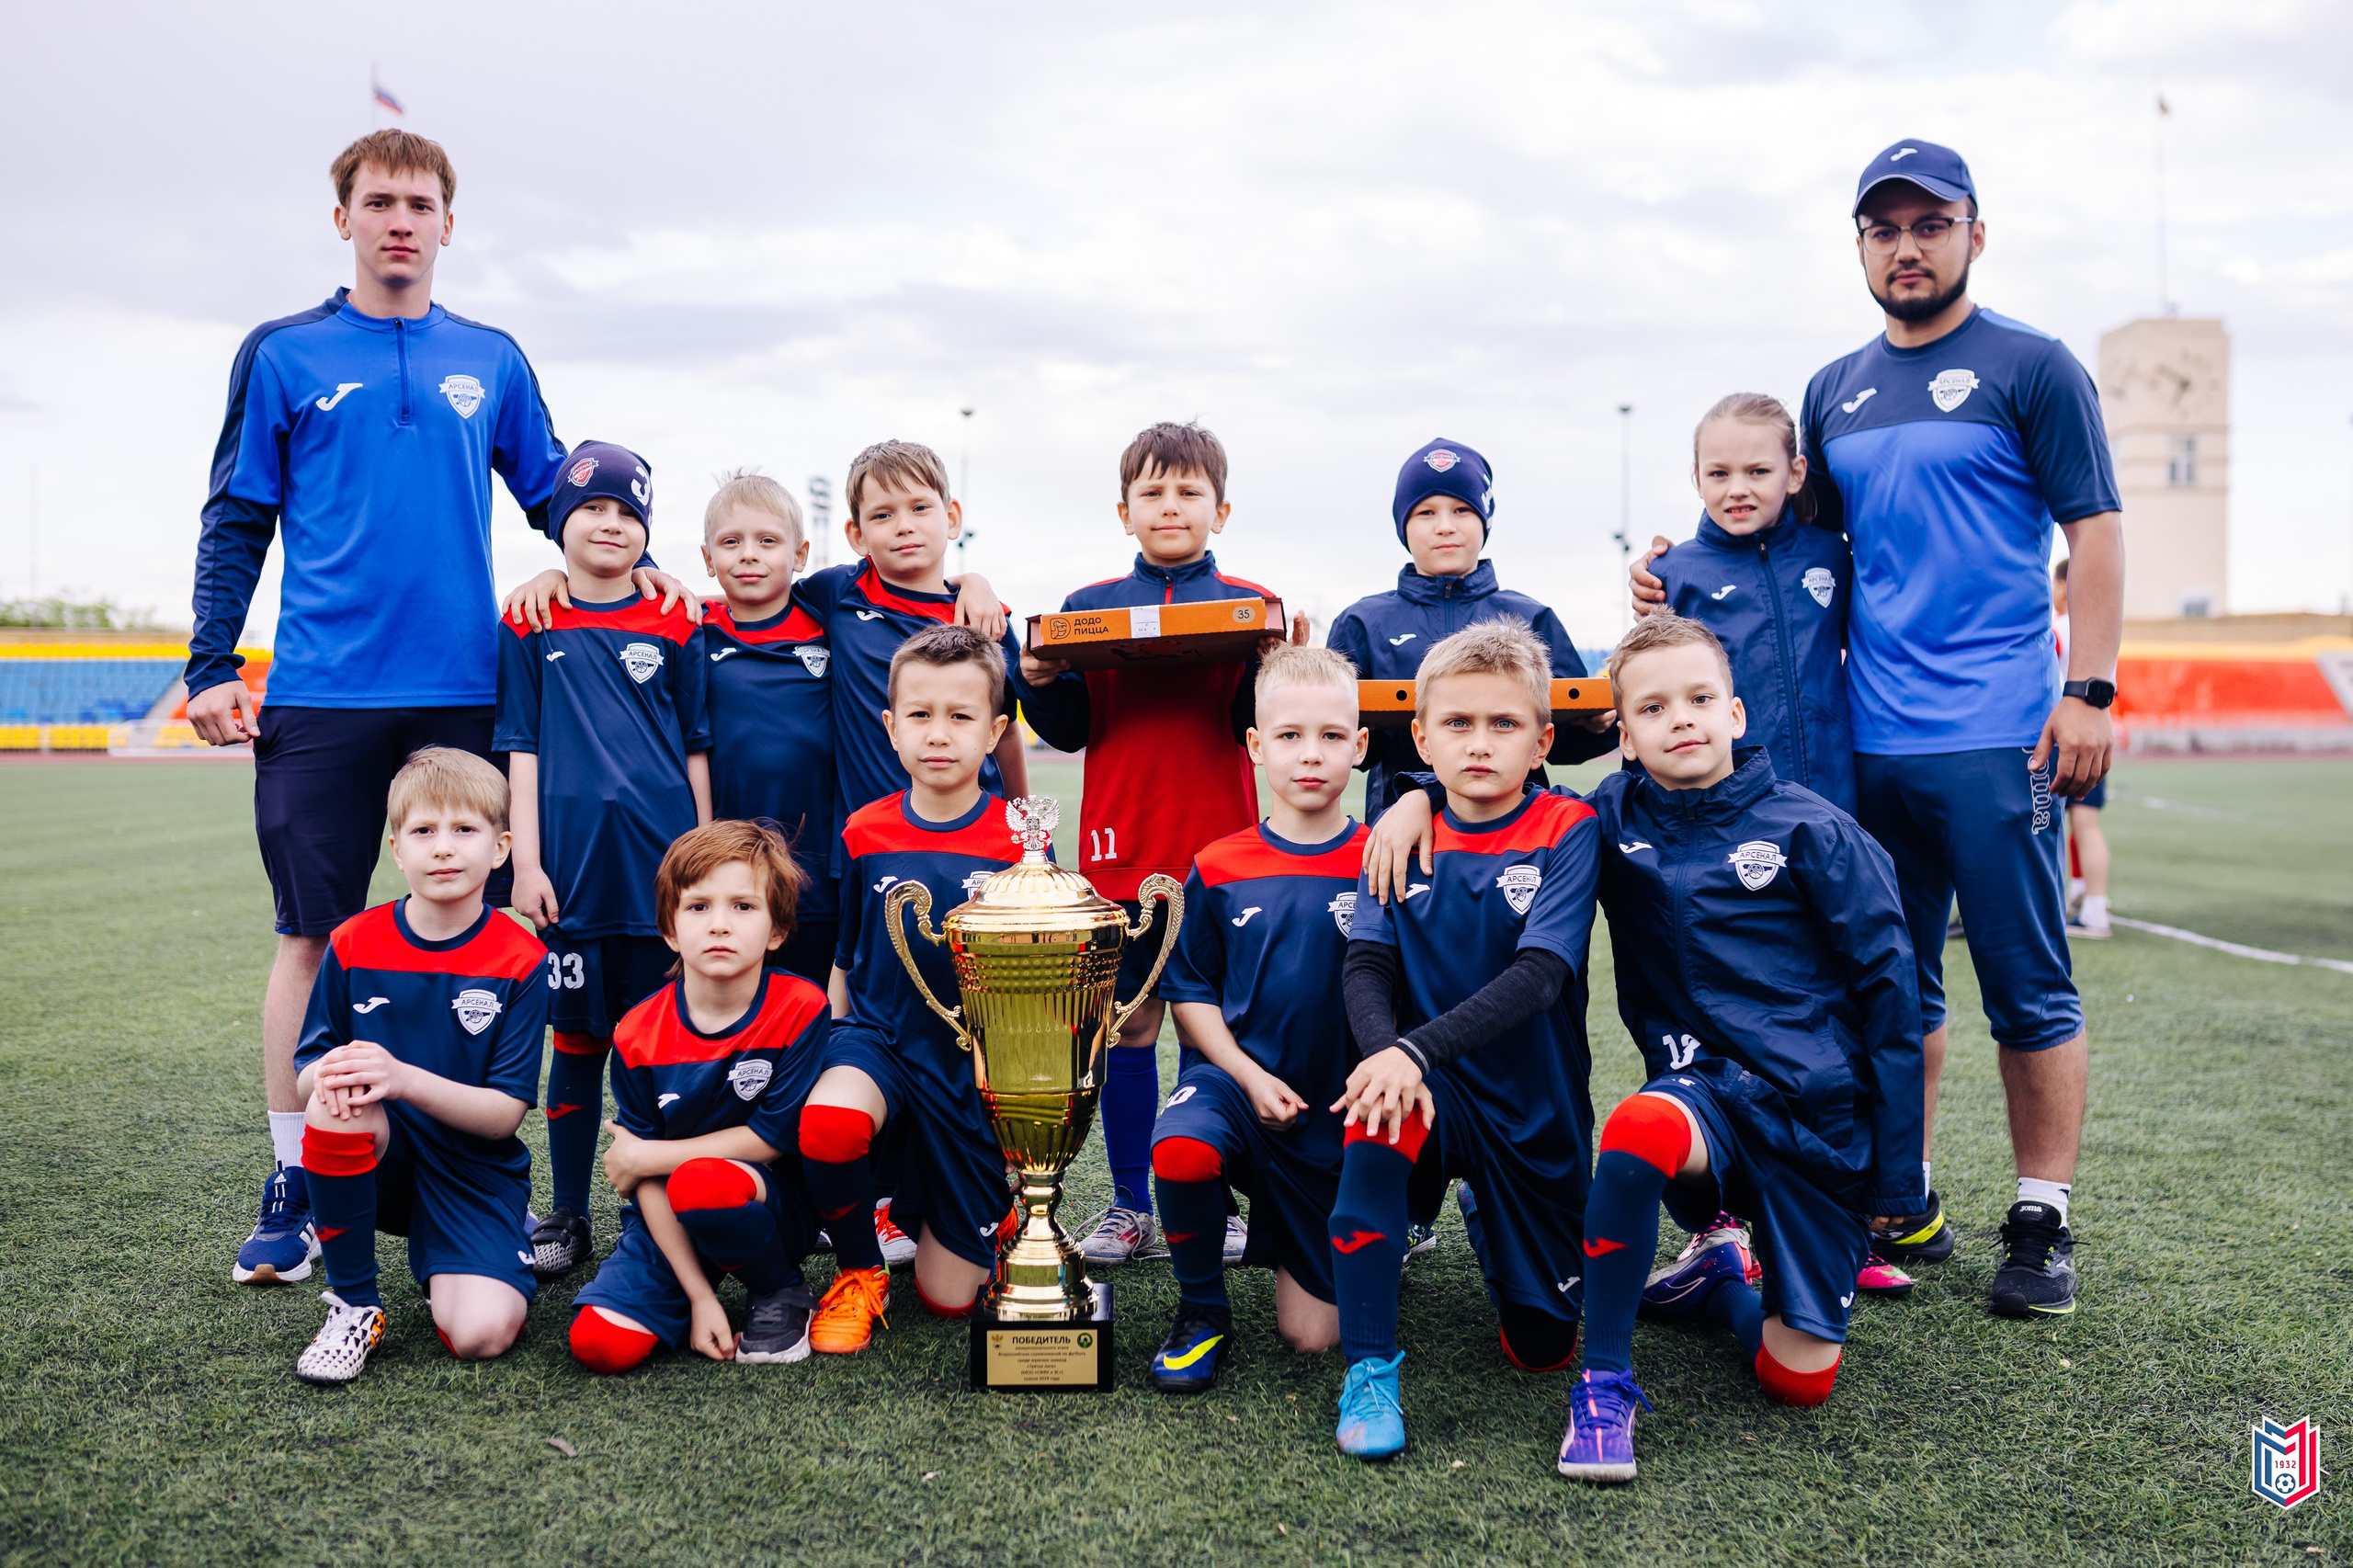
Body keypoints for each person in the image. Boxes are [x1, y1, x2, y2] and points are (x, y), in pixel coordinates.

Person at [1631, 139, 2122, 1316]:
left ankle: (2040, 1217)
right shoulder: (1833, 390)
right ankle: (1892, 1197)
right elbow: (1777, 542)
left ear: (1973, 234)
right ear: (1860, 245)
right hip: (1862, 750)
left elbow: (2094, 533)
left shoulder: (2033, 366)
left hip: (2000, 730)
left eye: (1929, 224)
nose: (1907, 247)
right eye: (1883, 229)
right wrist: (1667, 576)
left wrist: (2089, 689)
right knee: (1887, 986)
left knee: (2027, 984)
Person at [195, 130, 692, 1287]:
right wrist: (214, 657)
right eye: (379, 202)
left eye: (421, 203)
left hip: (466, 686)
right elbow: (235, 516)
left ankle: (477, 1178)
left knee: (488, 930)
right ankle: (294, 1175)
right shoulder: (283, 352)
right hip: (321, 690)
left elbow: (561, 489)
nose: (400, 221)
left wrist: (640, 553)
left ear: (449, 223)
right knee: (312, 934)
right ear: (344, 220)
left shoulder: (491, 357)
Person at [1369, 615, 1923, 1482]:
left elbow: (1894, 1006)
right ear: (1623, 738)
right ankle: (1604, 1383)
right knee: (1637, 1130)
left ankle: (1720, 1282)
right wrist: (1409, 795)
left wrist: (1897, 1178)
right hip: (1700, 1092)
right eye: (1655, 708)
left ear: (1738, 714)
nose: (1683, 720)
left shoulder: (1820, 833)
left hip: (1813, 1116)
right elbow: (1492, 785)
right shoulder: (1606, 819)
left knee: (1796, 1380)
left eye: (1701, 699)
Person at [1015, 421, 1302, 1267]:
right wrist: (1037, 683)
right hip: (1120, 848)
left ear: (1220, 508)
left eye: (1188, 492)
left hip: (1228, 852)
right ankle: (1134, 1204)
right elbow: (1069, 731)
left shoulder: (1253, 603)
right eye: (1153, 492)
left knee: (1229, 1027)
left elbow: (1258, 722)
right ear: (1124, 509)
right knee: (1129, 1027)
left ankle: (1224, 1196)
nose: (1170, 506)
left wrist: (1272, 666)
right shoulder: (1085, 609)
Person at [1329, 619, 1602, 1460]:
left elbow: (1539, 978)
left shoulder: (1568, 827)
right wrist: (1389, 1055)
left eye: (1503, 725)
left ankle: (1491, 1212)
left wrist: (1411, 1050)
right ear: (1420, 737)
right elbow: (1366, 966)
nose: (1479, 744)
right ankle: (1370, 1367)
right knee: (1374, 1118)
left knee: (1541, 1350)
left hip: (1533, 1105)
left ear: (1542, 741)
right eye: (1458, 724)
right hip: (1428, 1091)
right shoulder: (1399, 832)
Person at [494, 442, 711, 1278]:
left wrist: (701, 859)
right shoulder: (528, 620)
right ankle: (569, 1211)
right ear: (559, 523)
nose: (610, 525)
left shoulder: (677, 620)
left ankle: (652, 1205)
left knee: (657, 1044)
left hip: (662, 875)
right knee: (579, 1045)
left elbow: (696, 745)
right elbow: (520, 747)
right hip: (573, 875)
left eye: (628, 514)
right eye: (592, 509)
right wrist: (529, 863)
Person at [797, 624, 1029, 1351]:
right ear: (891, 728)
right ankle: (862, 1271)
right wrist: (836, 1042)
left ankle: (973, 1205)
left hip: (973, 1067)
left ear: (994, 732)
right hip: (883, 1043)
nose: (939, 734)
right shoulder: (865, 830)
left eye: (960, 717)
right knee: (829, 1123)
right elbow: (847, 952)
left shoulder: (1020, 839)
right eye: (920, 716)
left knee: (950, 1300)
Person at [1144, 645, 1369, 1391]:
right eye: (1290, 736)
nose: (1311, 756)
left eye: (1332, 737)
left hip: (1334, 1111)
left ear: (1360, 747)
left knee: (1313, 1339)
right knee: (1179, 1149)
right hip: (1236, 1088)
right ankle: (1201, 1310)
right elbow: (1190, 995)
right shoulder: (1216, 864)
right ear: (1255, 746)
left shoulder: (1385, 859)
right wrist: (1244, 1074)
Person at [289, 747, 548, 1383]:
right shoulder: (355, 942)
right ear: (397, 849)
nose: (443, 848)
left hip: (472, 1170)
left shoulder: (520, 957)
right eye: (424, 831)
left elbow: (501, 1116)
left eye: (465, 830)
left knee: (481, 1335)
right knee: (333, 1098)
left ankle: (465, 1252)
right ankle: (355, 1304)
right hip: (381, 1162)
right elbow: (306, 1074)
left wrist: (402, 1077)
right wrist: (330, 1079)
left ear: (501, 847)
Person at [568, 822, 833, 1373]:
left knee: (702, 1182)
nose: (718, 925)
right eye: (697, 908)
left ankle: (779, 1288)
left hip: (767, 1203)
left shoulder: (801, 1007)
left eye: (742, 906)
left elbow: (770, 1139)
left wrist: (646, 1157)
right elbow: (646, 1182)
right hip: (670, 1209)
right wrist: (699, 1298)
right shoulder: (637, 1033)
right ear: (668, 928)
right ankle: (697, 1282)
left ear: (778, 929)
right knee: (599, 1344)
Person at [1326, 438, 1616, 820]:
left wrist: (1596, 727)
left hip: (1518, 834)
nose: (1445, 527)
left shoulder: (1532, 617)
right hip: (1403, 831)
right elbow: (1342, 744)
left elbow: (1560, 741)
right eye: (1426, 512)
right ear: (1403, 525)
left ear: (1485, 519)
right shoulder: (1361, 622)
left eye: (1462, 510)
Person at [1644, 394, 1855, 812]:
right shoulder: (1672, 573)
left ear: (1795, 474)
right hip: (1732, 806)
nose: (1737, 489)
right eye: (1719, 473)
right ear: (1698, 479)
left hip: (1837, 795)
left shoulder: (1833, 555)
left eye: (1758, 471)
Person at [694, 472, 843, 981]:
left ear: (799, 555)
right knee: (739, 1008)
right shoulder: (692, 632)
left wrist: (972, 582)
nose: (749, 554)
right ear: (708, 559)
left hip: (820, 871)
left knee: (814, 1011)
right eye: (731, 542)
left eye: (768, 541)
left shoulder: (830, 622)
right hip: (730, 867)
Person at [2053, 559, 2111, 939]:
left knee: (2053, 825)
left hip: (2061, 735)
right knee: (2087, 823)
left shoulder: (2057, 627)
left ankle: (2081, 908)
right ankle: (2090, 901)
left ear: (2064, 585)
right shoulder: (2102, 632)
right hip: (2097, 732)